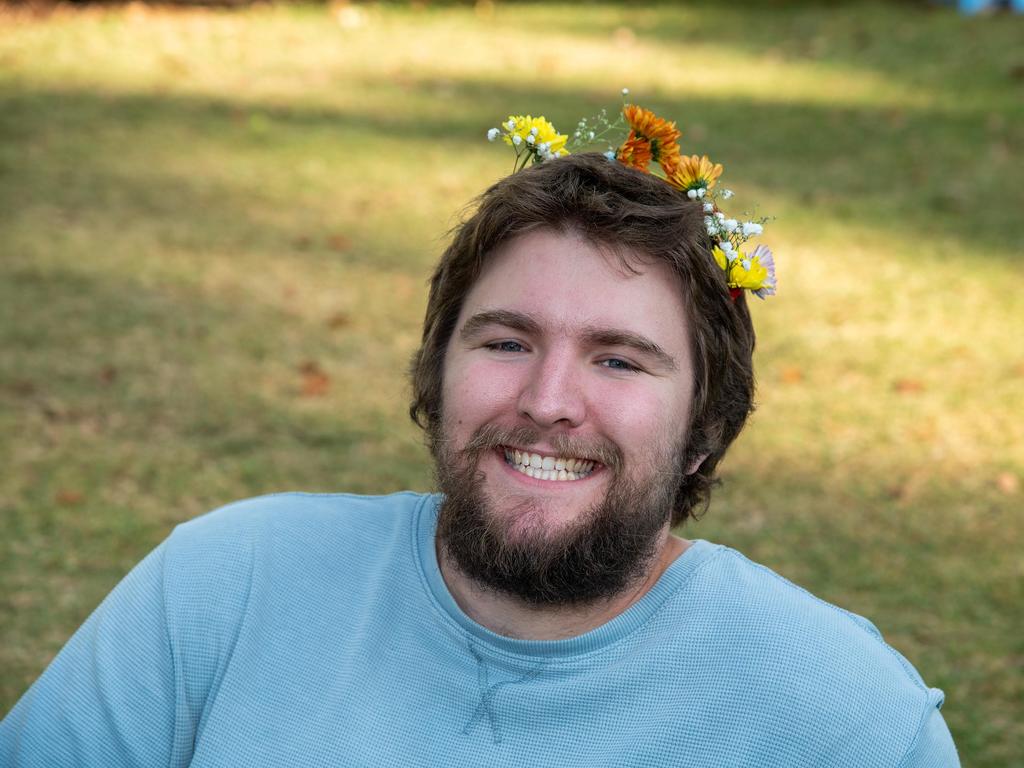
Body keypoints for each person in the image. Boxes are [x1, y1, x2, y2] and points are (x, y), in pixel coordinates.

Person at [1, 109, 959, 766]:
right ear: (436, 370)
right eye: (506, 341)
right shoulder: (225, 587)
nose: (548, 400)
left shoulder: (845, 719)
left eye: (619, 360)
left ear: (707, 429)